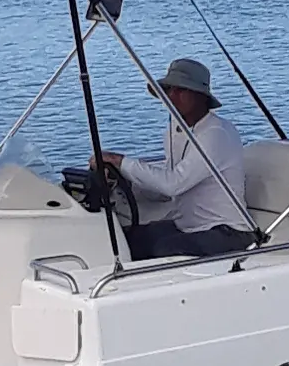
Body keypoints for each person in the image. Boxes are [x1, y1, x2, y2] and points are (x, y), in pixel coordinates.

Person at [104, 58, 252, 259]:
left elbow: (174, 184)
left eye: (181, 90)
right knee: (128, 239)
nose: (171, 96)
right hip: (189, 227)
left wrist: (121, 162)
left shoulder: (216, 133)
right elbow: (167, 189)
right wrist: (125, 183)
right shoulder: (175, 131)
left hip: (228, 231)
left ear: (201, 96)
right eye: (168, 90)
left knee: (168, 249)